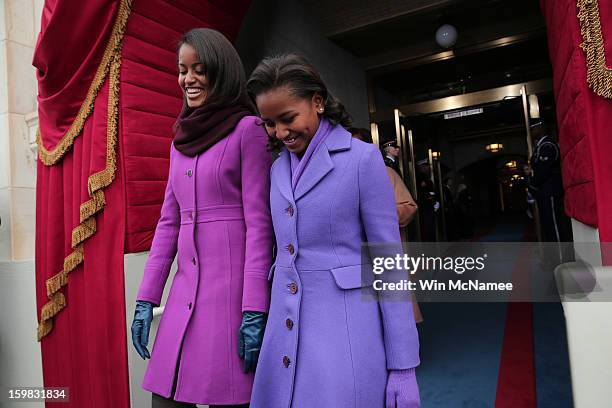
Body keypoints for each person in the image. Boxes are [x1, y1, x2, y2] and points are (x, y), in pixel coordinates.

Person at [247, 54, 420, 408]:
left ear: (318, 102)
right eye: (268, 123)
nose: (280, 133)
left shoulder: (362, 159)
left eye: (288, 118)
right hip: (284, 336)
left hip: (346, 336)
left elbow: (389, 262)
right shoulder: (277, 168)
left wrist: (404, 366)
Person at [130, 28, 273, 408]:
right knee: (164, 400)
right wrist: (146, 298)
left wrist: (255, 307)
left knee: (231, 400)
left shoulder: (249, 130)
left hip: (230, 305)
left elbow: (260, 227)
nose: (187, 79)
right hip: (183, 299)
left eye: (199, 69)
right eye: (182, 70)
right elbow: (167, 223)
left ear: (221, 70)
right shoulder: (179, 140)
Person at [528, 121, 572, 242]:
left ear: (540, 129)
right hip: (544, 192)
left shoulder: (548, 146)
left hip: (550, 191)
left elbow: (543, 171)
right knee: (548, 226)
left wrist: (532, 187)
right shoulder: (540, 146)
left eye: (533, 129)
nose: (531, 132)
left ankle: (560, 258)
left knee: (555, 227)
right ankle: (554, 256)